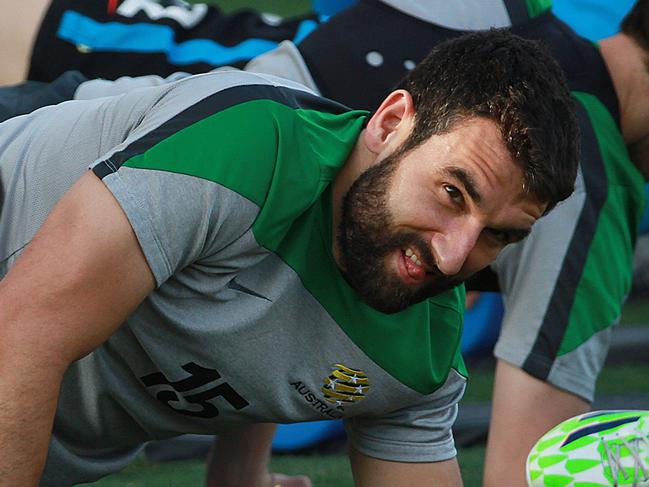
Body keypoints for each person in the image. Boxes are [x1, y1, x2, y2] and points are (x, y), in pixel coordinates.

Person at [3, 1, 647, 485]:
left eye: (501, 236)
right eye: (454, 192)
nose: (456, 256)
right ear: (391, 122)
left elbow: (264, 298)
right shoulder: (246, 147)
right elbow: (23, 335)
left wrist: (239, 474)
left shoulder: (418, 343)